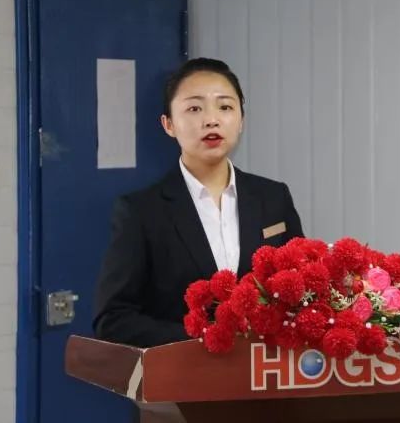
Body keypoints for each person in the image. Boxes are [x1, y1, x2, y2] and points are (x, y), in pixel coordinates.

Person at [93, 58, 304, 348]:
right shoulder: (141, 211)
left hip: (264, 370)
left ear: (241, 119)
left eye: (225, 107)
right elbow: (112, 319)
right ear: (168, 124)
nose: (211, 120)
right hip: (183, 373)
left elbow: (302, 289)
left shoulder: (273, 198)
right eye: (194, 108)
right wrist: (203, 338)